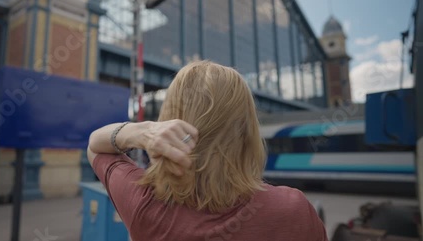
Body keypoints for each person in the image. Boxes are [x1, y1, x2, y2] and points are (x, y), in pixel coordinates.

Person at [87, 60, 328, 241]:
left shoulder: (145, 205)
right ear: (246, 132)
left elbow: (95, 147)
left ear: (169, 119)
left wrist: (143, 131)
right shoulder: (293, 210)